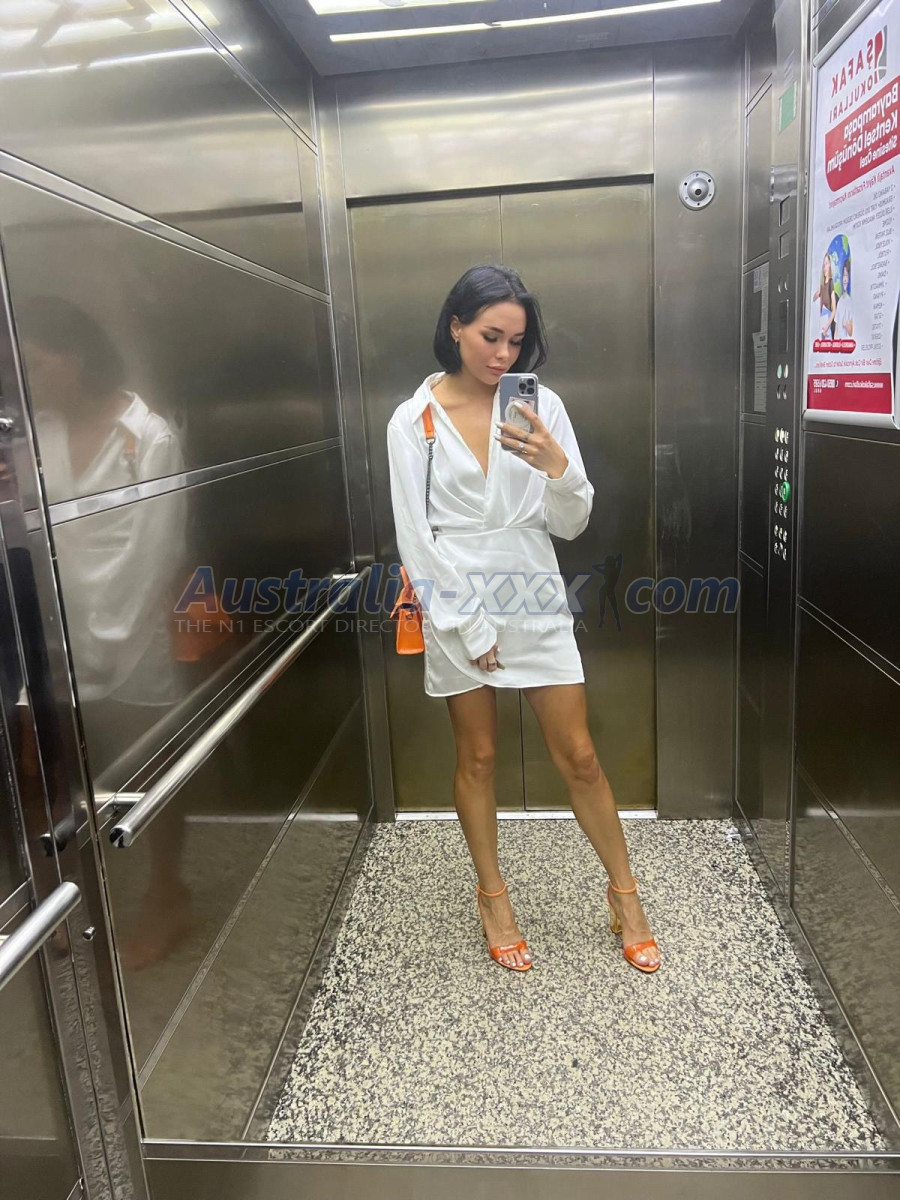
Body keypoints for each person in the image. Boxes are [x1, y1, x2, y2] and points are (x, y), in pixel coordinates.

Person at [386, 264, 660, 974]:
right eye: (490, 336)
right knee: (478, 758)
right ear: (455, 327)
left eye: (516, 341)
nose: (503, 354)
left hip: (532, 591)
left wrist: (558, 467)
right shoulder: (413, 421)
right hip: (455, 601)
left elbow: (571, 523)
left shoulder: (541, 407)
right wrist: (470, 629)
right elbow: (416, 540)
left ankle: (625, 895)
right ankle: (493, 898)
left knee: (581, 756)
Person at [813, 252, 837, 340]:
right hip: (822, 324)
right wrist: (818, 292)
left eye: (826, 264)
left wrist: (827, 326)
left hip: (828, 326)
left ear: (830, 265)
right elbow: (813, 299)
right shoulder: (822, 286)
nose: (824, 267)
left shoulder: (831, 284)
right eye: (824, 264)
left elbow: (834, 310)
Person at [835, 258, 853, 339]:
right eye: (844, 276)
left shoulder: (850, 301)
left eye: (847, 276)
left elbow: (851, 332)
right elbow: (836, 328)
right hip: (838, 343)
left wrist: (846, 325)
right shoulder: (840, 301)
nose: (845, 279)